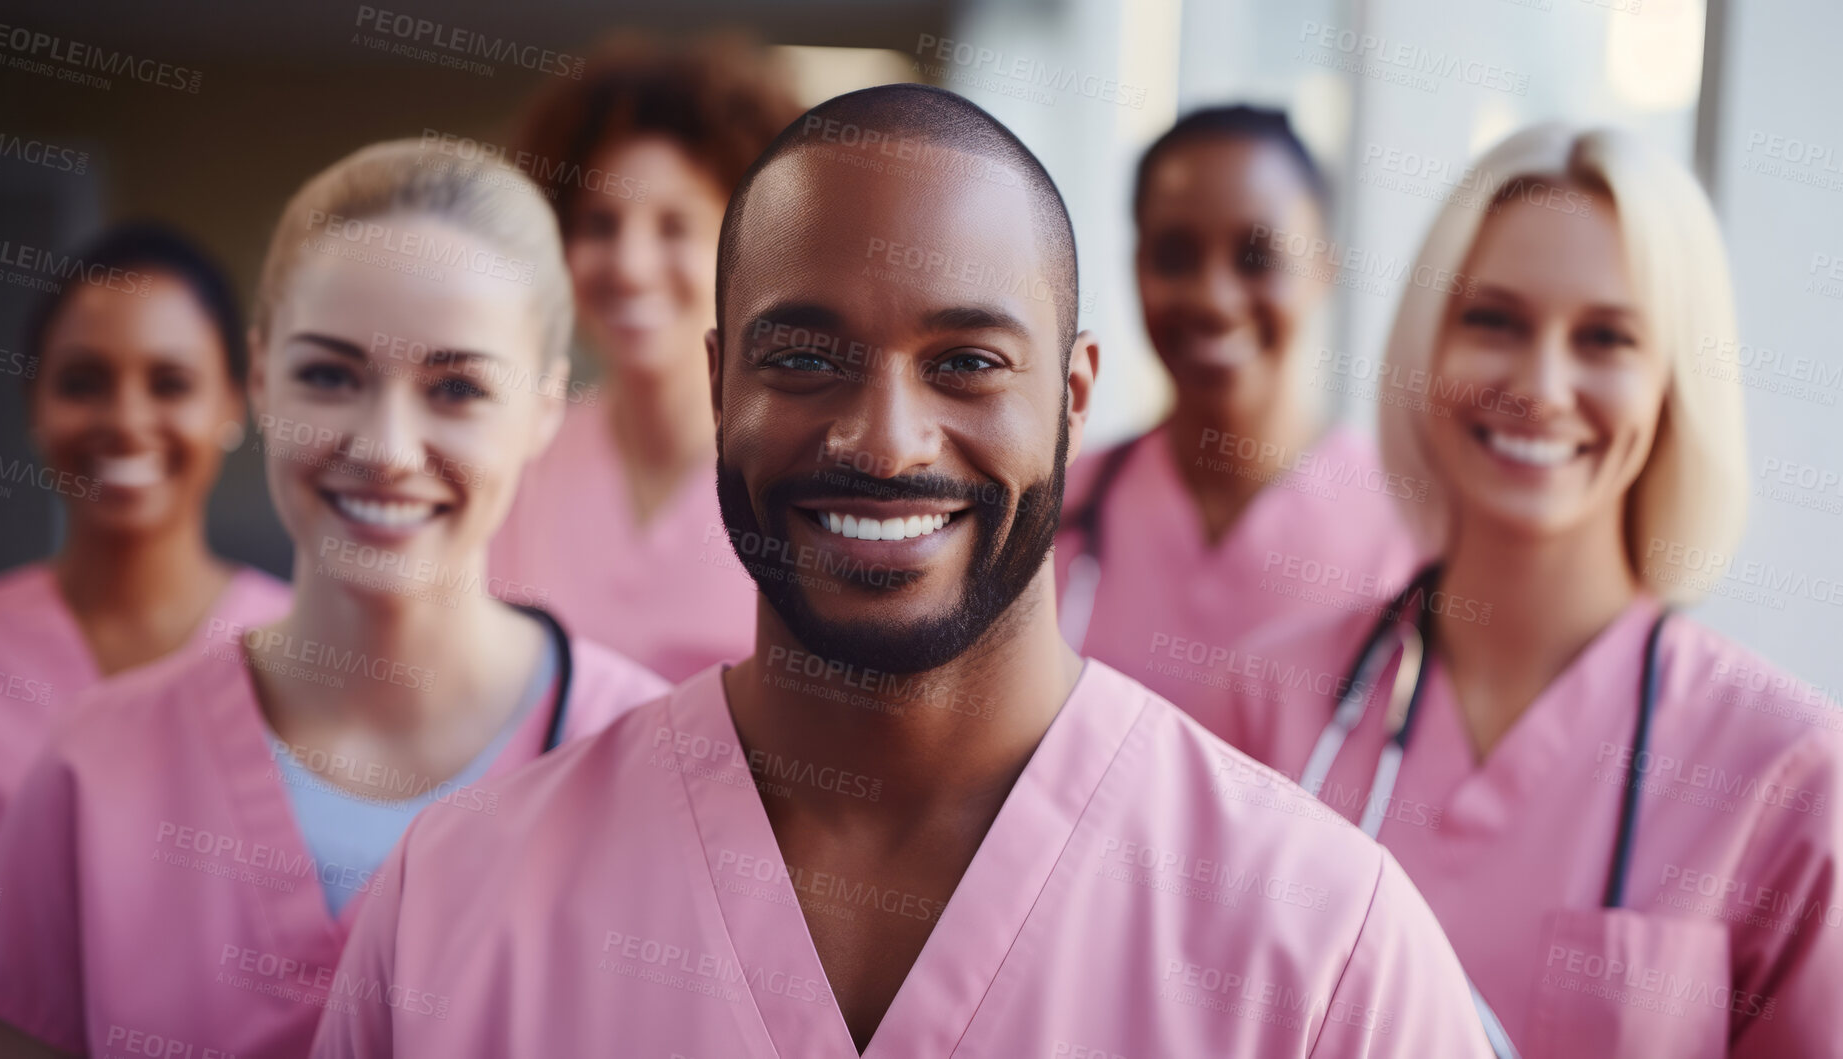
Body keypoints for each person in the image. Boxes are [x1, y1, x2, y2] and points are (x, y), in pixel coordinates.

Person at [311, 85, 1490, 1058]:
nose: (882, 441)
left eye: (967, 362)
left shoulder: (1322, 945)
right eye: (806, 356)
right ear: (720, 383)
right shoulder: (451, 911)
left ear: (1072, 398)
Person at [0, 141, 668, 1058]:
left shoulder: (654, 767)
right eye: (329, 375)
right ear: (257, 377)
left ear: (545, 408)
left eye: (455, 387)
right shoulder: (91, 773)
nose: (385, 447)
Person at [1208, 124, 1843, 1056]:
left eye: (1605, 337)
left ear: (1674, 383)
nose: (1541, 386)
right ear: (1426, 346)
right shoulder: (1261, 703)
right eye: (1494, 320)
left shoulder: (1782, 767)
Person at [0, 222, 292, 1053]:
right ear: (34, 404)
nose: (126, 417)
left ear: (233, 402)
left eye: (170, 381)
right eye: (84, 381)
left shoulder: (307, 661)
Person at [1053, 106, 1419, 728]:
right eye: (1173, 255)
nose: (1213, 298)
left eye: (1257, 257)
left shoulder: (1406, 533)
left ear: (1323, 269)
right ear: (1135, 265)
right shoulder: (1054, 506)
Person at [487, 33, 804, 680]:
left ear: (754, 246)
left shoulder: (808, 471)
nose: (629, 266)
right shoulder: (514, 459)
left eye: (673, 227)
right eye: (598, 225)